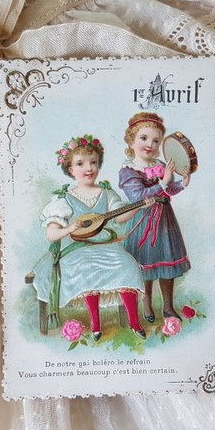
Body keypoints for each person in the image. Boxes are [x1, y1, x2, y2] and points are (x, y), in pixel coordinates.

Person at [32, 134, 152, 341]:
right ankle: (96, 324)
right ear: (70, 169)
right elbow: (51, 234)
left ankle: (134, 321)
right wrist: (69, 228)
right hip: (77, 248)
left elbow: (120, 216)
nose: (88, 168)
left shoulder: (106, 193)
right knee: (86, 269)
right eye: (80, 164)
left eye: (93, 162)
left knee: (127, 264)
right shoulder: (64, 198)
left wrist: (140, 205)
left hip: (106, 245)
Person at [118, 112, 192, 323]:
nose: (150, 144)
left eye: (156, 140)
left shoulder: (160, 165)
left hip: (165, 221)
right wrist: (163, 182)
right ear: (131, 141)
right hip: (142, 220)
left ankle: (168, 307)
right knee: (145, 265)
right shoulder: (128, 170)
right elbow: (137, 196)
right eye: (144, 138)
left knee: (166, 263)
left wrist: (181, 183)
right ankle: (147, 304)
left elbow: (168, 190)